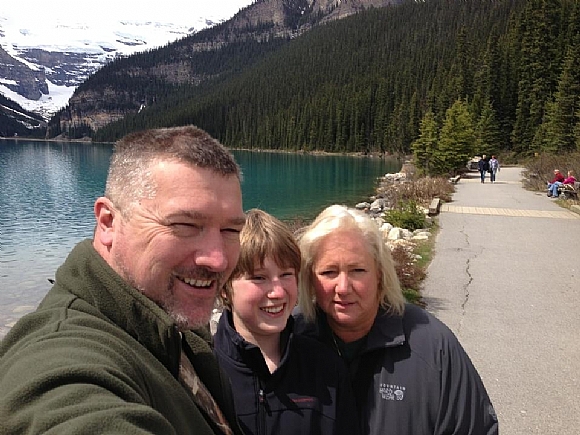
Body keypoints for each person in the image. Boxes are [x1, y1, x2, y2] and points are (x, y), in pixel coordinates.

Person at [0, 126, 248, 435]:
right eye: (185, 225)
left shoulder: (168, 317)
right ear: (108, 222)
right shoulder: (61, 361)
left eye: (231, 231)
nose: (218, 260)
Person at [294, 204, 498, 435]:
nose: (343, 288)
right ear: (310, 279)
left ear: (380, 274)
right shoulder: (289, 341)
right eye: (328, 272)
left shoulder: (433, 347)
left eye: (357, 270)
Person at [214, 209, 360, 435]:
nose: (278, 292)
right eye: (259, 277)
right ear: (224, 287)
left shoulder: (326, 369)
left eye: (286, 275)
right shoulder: (205, 370)